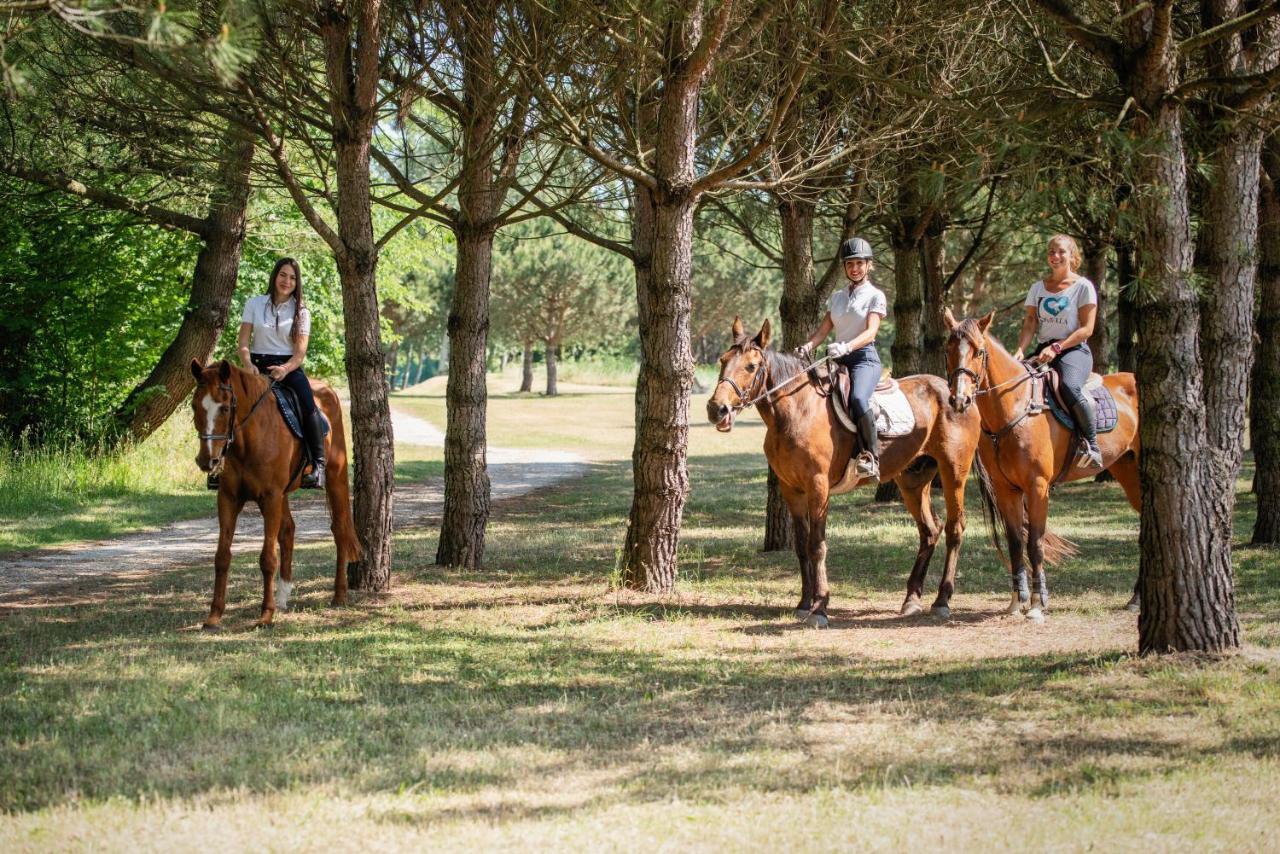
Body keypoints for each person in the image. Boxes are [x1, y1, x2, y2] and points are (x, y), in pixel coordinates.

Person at [797, 236, 888, 481]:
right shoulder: (837, 298)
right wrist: (808, 345)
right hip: (838, 360)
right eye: (850, 264)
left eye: (859, 263)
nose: (855, 268)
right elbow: (823, 331)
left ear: (869, 265)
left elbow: (870, 332)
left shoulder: (875, 296)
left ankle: (871, 456)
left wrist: (847, 346)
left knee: (858, 398)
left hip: (863, 359)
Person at [1013, 234, 1103, 469]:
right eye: (1051, 251)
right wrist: (1021, 350)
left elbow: (1087, 329)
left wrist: (1058, 347)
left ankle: (1091, 445)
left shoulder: (1083, 287)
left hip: (1073, 350)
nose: (1055, 256)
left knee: (1069, 386)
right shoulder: (1037, 288)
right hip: (1044, 350)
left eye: (1061, 251)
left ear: (1072, 255)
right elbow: (1030, 322)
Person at [237, 258, 326, 488]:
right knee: (228, 403)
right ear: (275, 276)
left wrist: (284, 369)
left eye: (293, 277)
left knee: (308, 405)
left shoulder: (302, 312)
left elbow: (300, 354)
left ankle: (318, 465)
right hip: (255, 365)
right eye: (283, 275)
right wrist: (248, 365)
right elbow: (244, 343)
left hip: (288, 366)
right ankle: (221, 466)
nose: (287, 281)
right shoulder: (254, 304)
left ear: (298, 283)